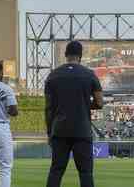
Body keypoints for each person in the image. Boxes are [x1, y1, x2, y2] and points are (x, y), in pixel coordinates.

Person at [45, 41, 104, 187]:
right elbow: (100, 102)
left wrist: (49, 133)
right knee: (85, 173)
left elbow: (48, 107)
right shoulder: (89, 74)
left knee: (56, 171)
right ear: (81, 56)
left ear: (66, 55)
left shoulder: (53, 75)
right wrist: (85, 105)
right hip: (82, 130)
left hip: (59, 130)